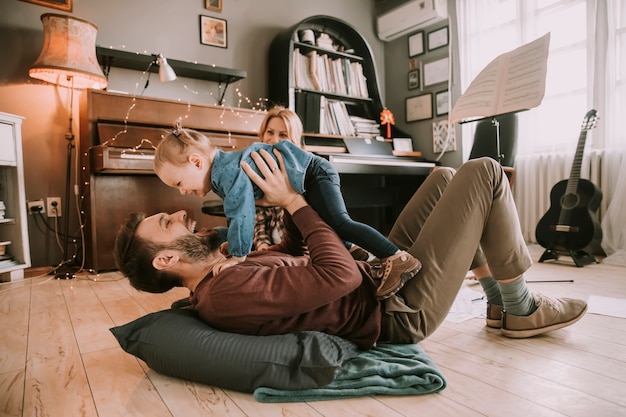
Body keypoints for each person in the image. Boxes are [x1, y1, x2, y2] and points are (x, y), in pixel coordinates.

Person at [115, 151, 588, 346]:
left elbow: (299, 248)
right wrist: (296, 201)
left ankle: (497, 305)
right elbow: (337, 276)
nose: (180, 213)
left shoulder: (227, 269)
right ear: (166, 259)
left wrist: (278, 197)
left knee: (444, 178)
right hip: (399, 308)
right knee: (484, 171)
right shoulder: (225, 294)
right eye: (166, 222)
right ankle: (519, 306)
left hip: (382, 274)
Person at [153, 125, 421, 300]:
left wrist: (238, 255)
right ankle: (357, 254)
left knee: (339, 222)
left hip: (313, 174)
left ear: (196, 162)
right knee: (330, 225)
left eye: (179, 183)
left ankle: (397, 258)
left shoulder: (226, 173)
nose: (182, 192)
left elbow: (241, 214)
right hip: (309, 174)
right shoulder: (224, 169)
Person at [252, 105, 369, 261]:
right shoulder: (258, 168)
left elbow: (315, 220)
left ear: (294, 140)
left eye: (283, 135)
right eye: (270, 132)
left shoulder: (305, 171)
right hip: (274, 241)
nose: (274, 140)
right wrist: (263, 247)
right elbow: (259, 219)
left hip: (301, 244)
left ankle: (349, 248)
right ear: (262, 134)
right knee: (221, 235)